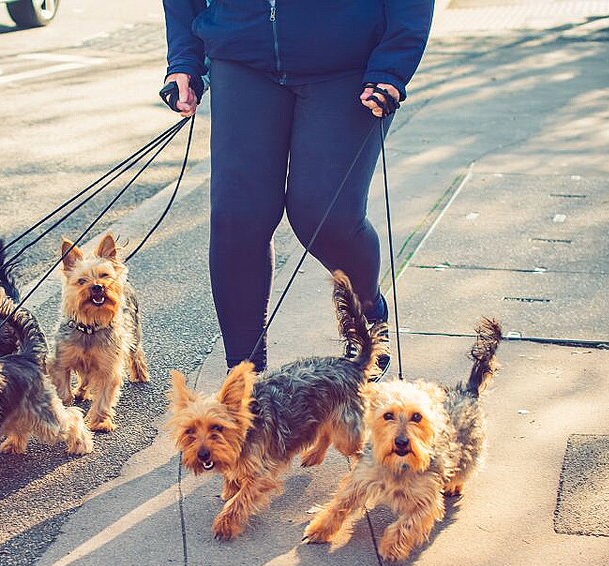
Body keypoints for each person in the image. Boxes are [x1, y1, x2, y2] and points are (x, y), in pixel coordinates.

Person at [161, 0, 435, 373]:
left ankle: (368, 311)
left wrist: (393, 65)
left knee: (324, 215)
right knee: (238, 218)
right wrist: (184, 59)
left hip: (347, 64)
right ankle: (245, 381)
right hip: (242, 55)